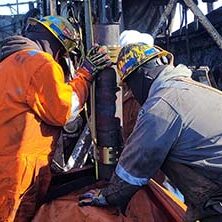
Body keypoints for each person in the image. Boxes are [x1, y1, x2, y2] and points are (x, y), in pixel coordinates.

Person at [79, 42, 222, 222]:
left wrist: (106, 196)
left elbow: (136, 167)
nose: (131, 92)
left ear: (142, 75)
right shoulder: (194, 89)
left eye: (130, 85)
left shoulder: (162, 105)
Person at [0, 15, 112, 222]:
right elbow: (65, 110)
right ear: (58, 46)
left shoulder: (7, 62)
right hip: (17, 169)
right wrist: (85, 74)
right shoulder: (40, 62)